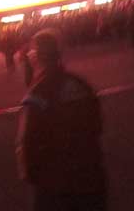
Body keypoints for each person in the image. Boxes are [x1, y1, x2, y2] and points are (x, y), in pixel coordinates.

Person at [16, 29, 106, 210]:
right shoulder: (80, 84)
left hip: (56, 186)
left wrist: (34, 177)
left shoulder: (37, 94)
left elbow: (25, 144)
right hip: (91, 176)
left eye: (30, 51)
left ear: (36, 57)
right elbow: (97, 124)